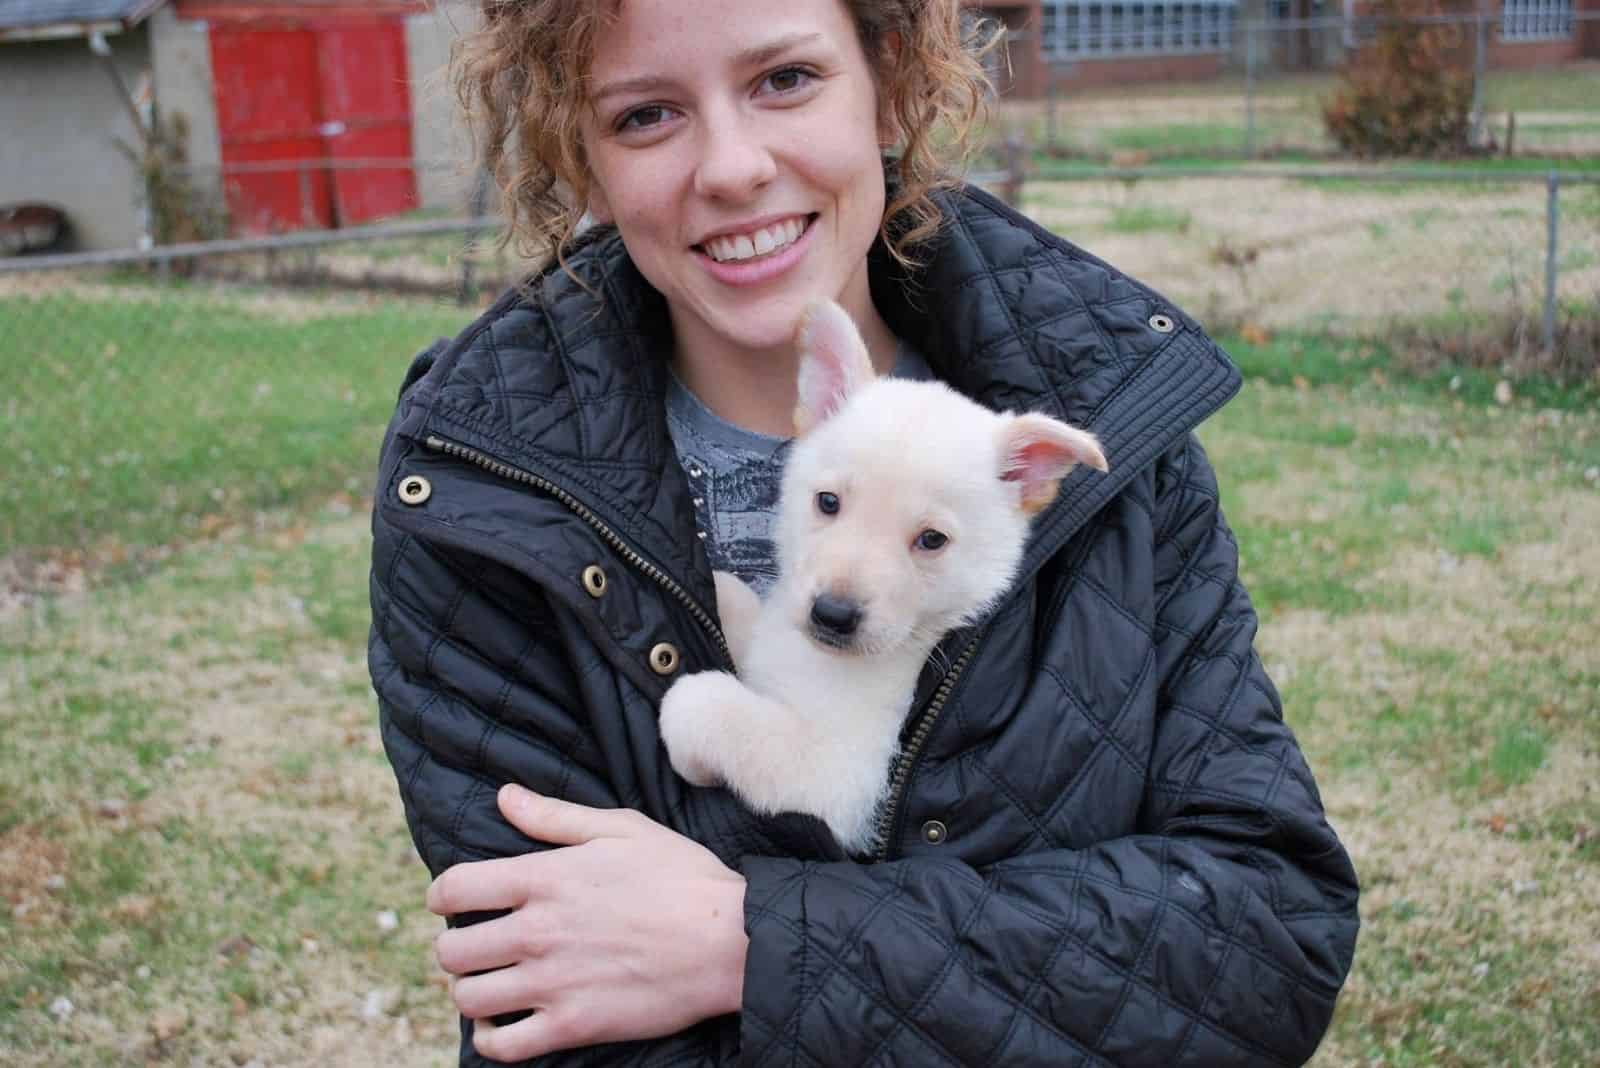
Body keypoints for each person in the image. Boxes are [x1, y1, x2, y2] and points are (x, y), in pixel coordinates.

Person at [367, 0, 1361, 1064]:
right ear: (581, 150)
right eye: (647, 114)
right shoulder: (480, 480)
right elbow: (549, 1009)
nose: (734, 167)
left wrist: (750, 943)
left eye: (784, 79)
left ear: (886, 74)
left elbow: (1266, 944)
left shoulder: (1108, 417)